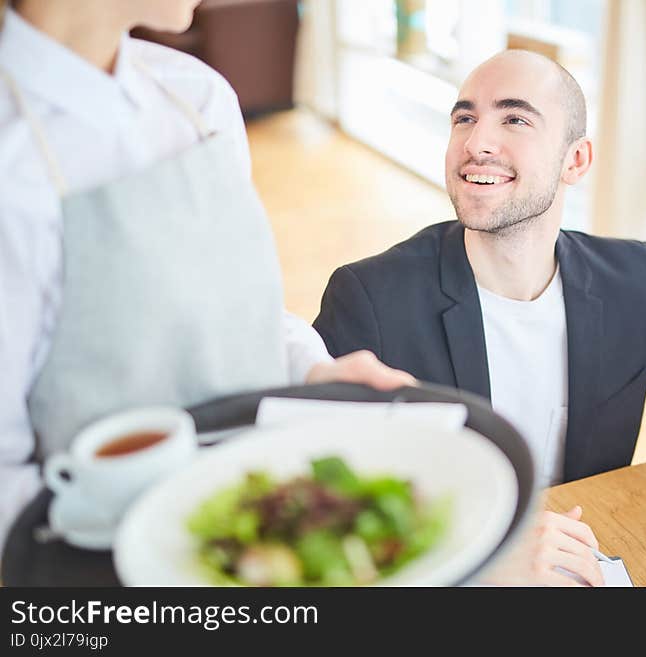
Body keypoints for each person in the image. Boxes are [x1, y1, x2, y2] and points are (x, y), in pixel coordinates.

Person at [313, 50, 646, 586]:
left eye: (515, 119)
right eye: (464, 118)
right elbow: (314, 485)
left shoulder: (633, 277)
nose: (476, 142)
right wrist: (478, 553)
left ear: (575, 161)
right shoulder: (369, 297)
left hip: (587, 562)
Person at [0, 0, 413, 549]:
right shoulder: (13, 167)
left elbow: (240, 308)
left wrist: (314, 372)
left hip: (262, 511)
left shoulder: (197, 97)